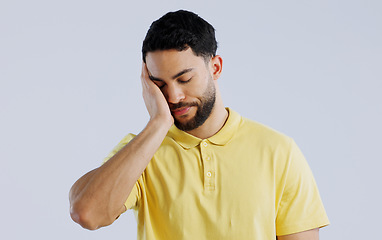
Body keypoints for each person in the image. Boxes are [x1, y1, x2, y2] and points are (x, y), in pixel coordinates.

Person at [69, 10, 329, 240]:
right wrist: (158, 123)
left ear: (215, 68)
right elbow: (87, 213)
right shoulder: (140, 150)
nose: (173, 96)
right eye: (159, 85)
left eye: (184, 79)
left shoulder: (279, 151)